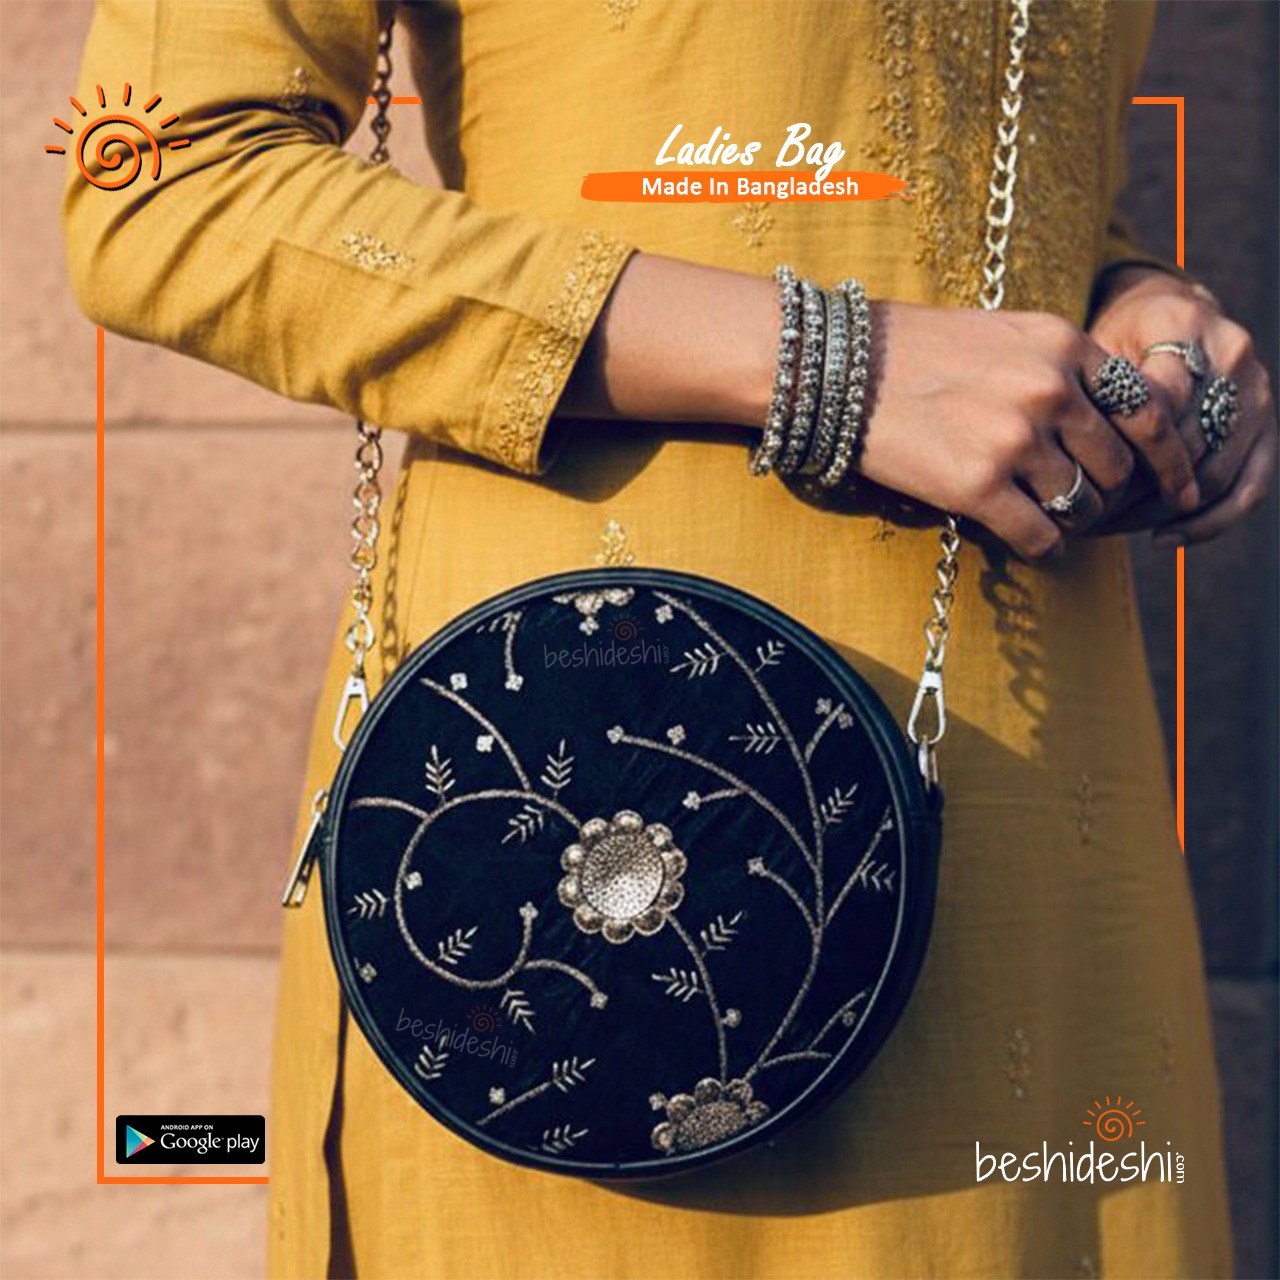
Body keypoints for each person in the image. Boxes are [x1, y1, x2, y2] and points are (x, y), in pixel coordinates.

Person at [65, 2, 1274, 1276]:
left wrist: (1134, 316)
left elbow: (976, 184)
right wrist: (834, 364)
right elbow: (162, 181)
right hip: (606, 783)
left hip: (1046, 805)